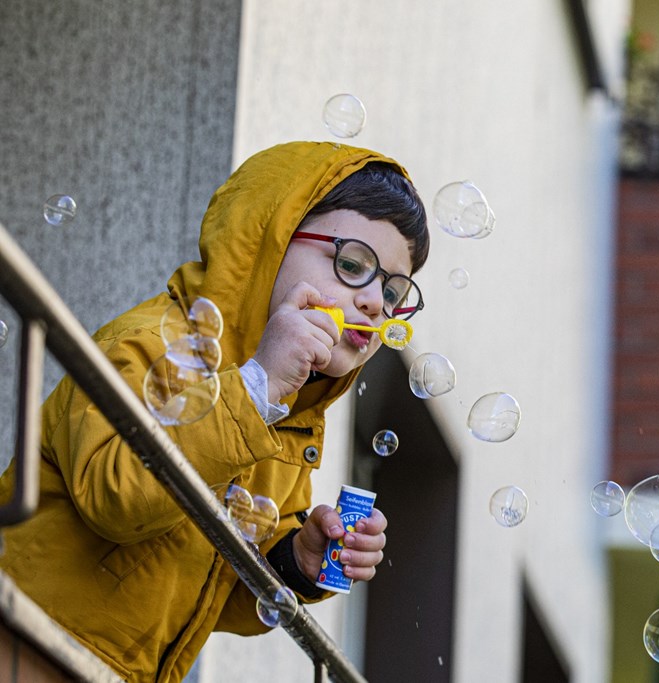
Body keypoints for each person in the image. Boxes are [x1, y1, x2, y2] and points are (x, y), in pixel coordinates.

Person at [0, 141, 429, 682]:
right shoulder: (152, 343)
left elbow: (215, 590)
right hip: (26, 635)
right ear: (266, 244)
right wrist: (257, 387)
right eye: (351, 265)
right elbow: (117, 496)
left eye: (393, 291)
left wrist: (297, 558)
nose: (373, 302)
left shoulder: (287, 418)